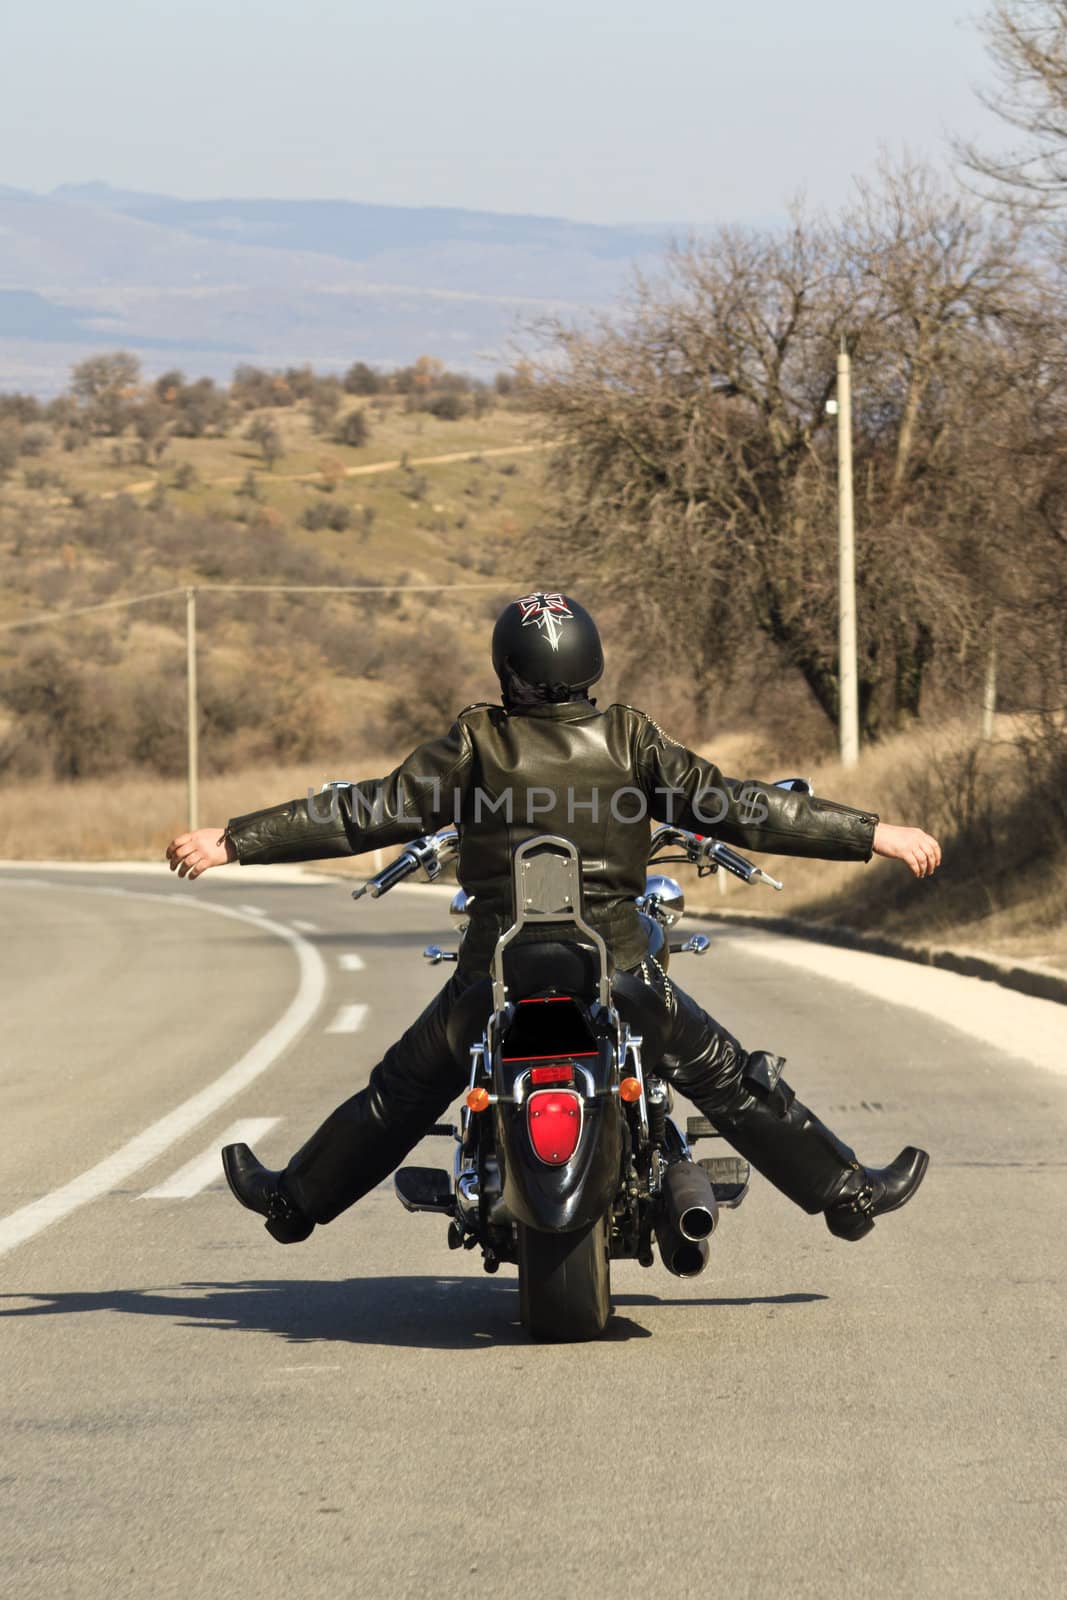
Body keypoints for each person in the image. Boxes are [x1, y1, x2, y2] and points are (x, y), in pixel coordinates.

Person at [165, 591, 940, 1247]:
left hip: (494, 975)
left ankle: (292, 1202)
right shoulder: (632, 740)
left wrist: (236, 839)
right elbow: (742, 808)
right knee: (728, 1078)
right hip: (619, 967)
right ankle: (847, 1193)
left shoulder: (476, 742)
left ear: (509, 669)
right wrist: (871, 832)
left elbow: (366, 811)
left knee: (401, 1090)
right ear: (589, 663)